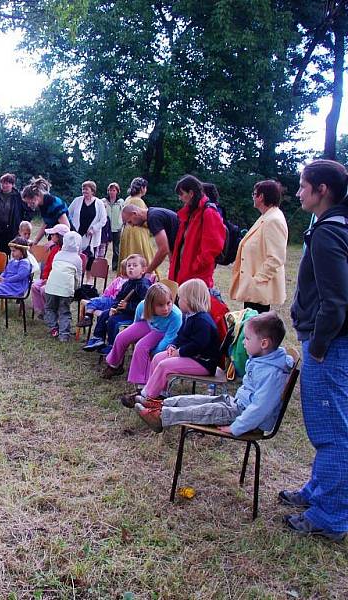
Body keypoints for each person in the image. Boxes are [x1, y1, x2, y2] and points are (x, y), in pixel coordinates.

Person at [285, 159, 348, 542]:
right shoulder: (336, 225)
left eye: (303, 186)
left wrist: (320, 345)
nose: (298, 192)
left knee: (332, 430)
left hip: (331, 345)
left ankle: (331, 515)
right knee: (329, 426)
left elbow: (336, 300)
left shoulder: (329, 231)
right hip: (333, 342)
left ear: (321, 190)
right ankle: (318, 491)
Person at [135, 312, 292, 437]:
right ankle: (161, 404)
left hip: (243, 417)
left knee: (203, 411)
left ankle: (162, 417)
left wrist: (236, 428)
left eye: (247, 339)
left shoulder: (273, 374)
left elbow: (260, 409)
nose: (244, 342)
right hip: (237, 404)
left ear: (264, 343)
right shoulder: (263, 359)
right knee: (197, 400)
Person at [124, 279, 220, 408]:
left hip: (204, 362)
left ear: (191, 301)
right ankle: (158, 393)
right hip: (192, 357)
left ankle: (147, 396)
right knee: (158, 358)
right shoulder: (190, 316)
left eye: (180, 298)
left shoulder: (202, 321)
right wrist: (173, 345)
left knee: (165, 365)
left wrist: (178, 352)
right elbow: (180, 335)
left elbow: (197, 345)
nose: (178, 301)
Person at [229, 180, 288, 313]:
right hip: (254, 289)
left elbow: (276, 258)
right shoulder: (266, 216)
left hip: (259, 289)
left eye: (254, 194)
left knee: (257, 328)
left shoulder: (273, 220)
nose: (253, 197)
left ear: (261, 197)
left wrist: (257, 281)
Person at [102, 282, 182, 380]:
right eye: (160, 305)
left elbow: (169, 338)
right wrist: (133, 336)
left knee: (141, 347)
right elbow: (137, 322)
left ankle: (142, 382)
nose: (166, 308)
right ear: (150, 305)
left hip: (162, 332)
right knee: (121, 337)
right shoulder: (142, 306)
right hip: (148, 324)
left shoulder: (176, 315)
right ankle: (114, 365)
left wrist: (155, 353)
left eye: (168, 303)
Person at [83, 254, 151, 354]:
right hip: (122, 311)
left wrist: (128, 306)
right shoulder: (127, 283)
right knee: (104, 314)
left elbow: (145, 306)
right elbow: (118, 298)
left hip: (134, 315)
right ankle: (98, 338)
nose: (131, 267)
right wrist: (114, 308)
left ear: (143, 270)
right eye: (129, 265)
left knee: (113, 321)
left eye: (135, 265)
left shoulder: (144, 285)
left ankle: (112, 345)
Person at [169, 175, 226, 288]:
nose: (180, 198)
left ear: (191, 193)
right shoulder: (190, 214)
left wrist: (195, 266)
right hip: (183, 272)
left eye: (181, 194)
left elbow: (213, 247)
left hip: (196, 276)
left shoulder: (208, 212)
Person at [44, 231, 84, 342]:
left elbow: (54, 270)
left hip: (51, 288)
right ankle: (64, 335)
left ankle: (53, 328)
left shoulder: (58, 254)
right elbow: (78, 277)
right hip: (66, 290)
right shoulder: (77, 259)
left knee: (49, 308)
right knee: (64, 311)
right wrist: (75, 289)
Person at [121, 204, 179, 277]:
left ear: (134, 213)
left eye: (130, 222)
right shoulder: (153, 213)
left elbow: (163, 249)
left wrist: (148, 272)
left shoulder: (153, 218)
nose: (132, 226)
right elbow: (169, 244)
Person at [30, 224, 68, 319]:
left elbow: (60, 271)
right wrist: (45, 278)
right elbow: (48, 266)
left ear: (59, 236)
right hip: (48, 279)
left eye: (53, 234)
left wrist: (49, 280)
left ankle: (52, 312)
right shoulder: (55, 249)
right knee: (35, 286)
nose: (51, 236)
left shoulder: (65, 253)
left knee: (44, 290)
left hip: (58, 282)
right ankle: (42, 311)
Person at [68, 181, 107, 269]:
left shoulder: (99, 203)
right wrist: (71, 227)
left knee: (90, 259)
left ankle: (88, 280)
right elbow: (67, 213)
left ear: (92, 191)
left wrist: (94, 229)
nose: (84, 191)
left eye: (86, 189)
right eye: (83, 189)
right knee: (75, 257)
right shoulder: (77, 200)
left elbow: (103, 219)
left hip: (91, 237)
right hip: (77, 234)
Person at [118, 177, 156, 271]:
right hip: (137, 233)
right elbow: (143, 219)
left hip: (127, 231)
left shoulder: (128, 199)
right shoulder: (138, 201)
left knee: (128, 254)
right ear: (142, 188)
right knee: (140, 255)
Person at [0, 174, 29, 256]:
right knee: (2, 253)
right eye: (2, 183)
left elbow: (29, 210)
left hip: (13, 229)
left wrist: (23, 223)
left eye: (7, 183)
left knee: (14, 252)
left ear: (12, 184)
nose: (4, 185)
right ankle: (4, 269)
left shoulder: (18, 196)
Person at [22, 177, 70, 244]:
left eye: (30, 202)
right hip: (54, 238)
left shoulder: (55, 204)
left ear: (37, 196)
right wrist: (35, 241)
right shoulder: (43, 204)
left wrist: (52, 242)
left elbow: (66, 229)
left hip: (65, 241)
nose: (28, 205)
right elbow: (46, 223)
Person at [104, 183, 126, 270]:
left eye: (114, 190)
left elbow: (124, 213)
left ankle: (115, 266)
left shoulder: (121, 202)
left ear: (117, 191)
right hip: (106, 228)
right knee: (103, 248)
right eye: (110, 190)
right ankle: (101, 265)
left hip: (117, 228)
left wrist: (123, 224)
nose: (112, 192)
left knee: (116, 249)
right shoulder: (103, 201)